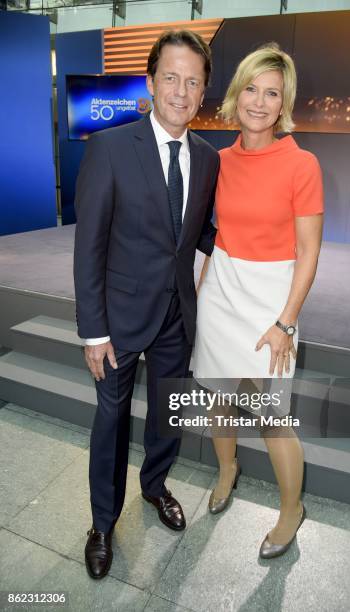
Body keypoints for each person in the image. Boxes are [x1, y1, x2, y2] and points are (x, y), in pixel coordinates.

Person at [73, 29, 219, 579]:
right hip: (117, 321)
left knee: (167, 415)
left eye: (193, 82)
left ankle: (155, 487)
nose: (181, 91)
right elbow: (89, 246)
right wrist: (93, 331)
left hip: (177, 318)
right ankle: (103, 523)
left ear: (203, 92)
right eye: (171, 78)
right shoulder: (110, 149)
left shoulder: (206, 159)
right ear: (152, 82)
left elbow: (196, 232)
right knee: (110, 422)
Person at [194, 43, 324, 559]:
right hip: (221, 291)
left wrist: (285, 324)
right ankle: (228, 469)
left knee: (273, 417)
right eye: (251, 88)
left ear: (283, 104)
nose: (259, 101)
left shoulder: (302, 164)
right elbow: (218, 234)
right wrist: (204, 291)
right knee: (218, 395)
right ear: (236, 93)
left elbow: (309, 254)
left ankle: (292, 510)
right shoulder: (218, 160)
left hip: (271, 304)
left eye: (273, 93)